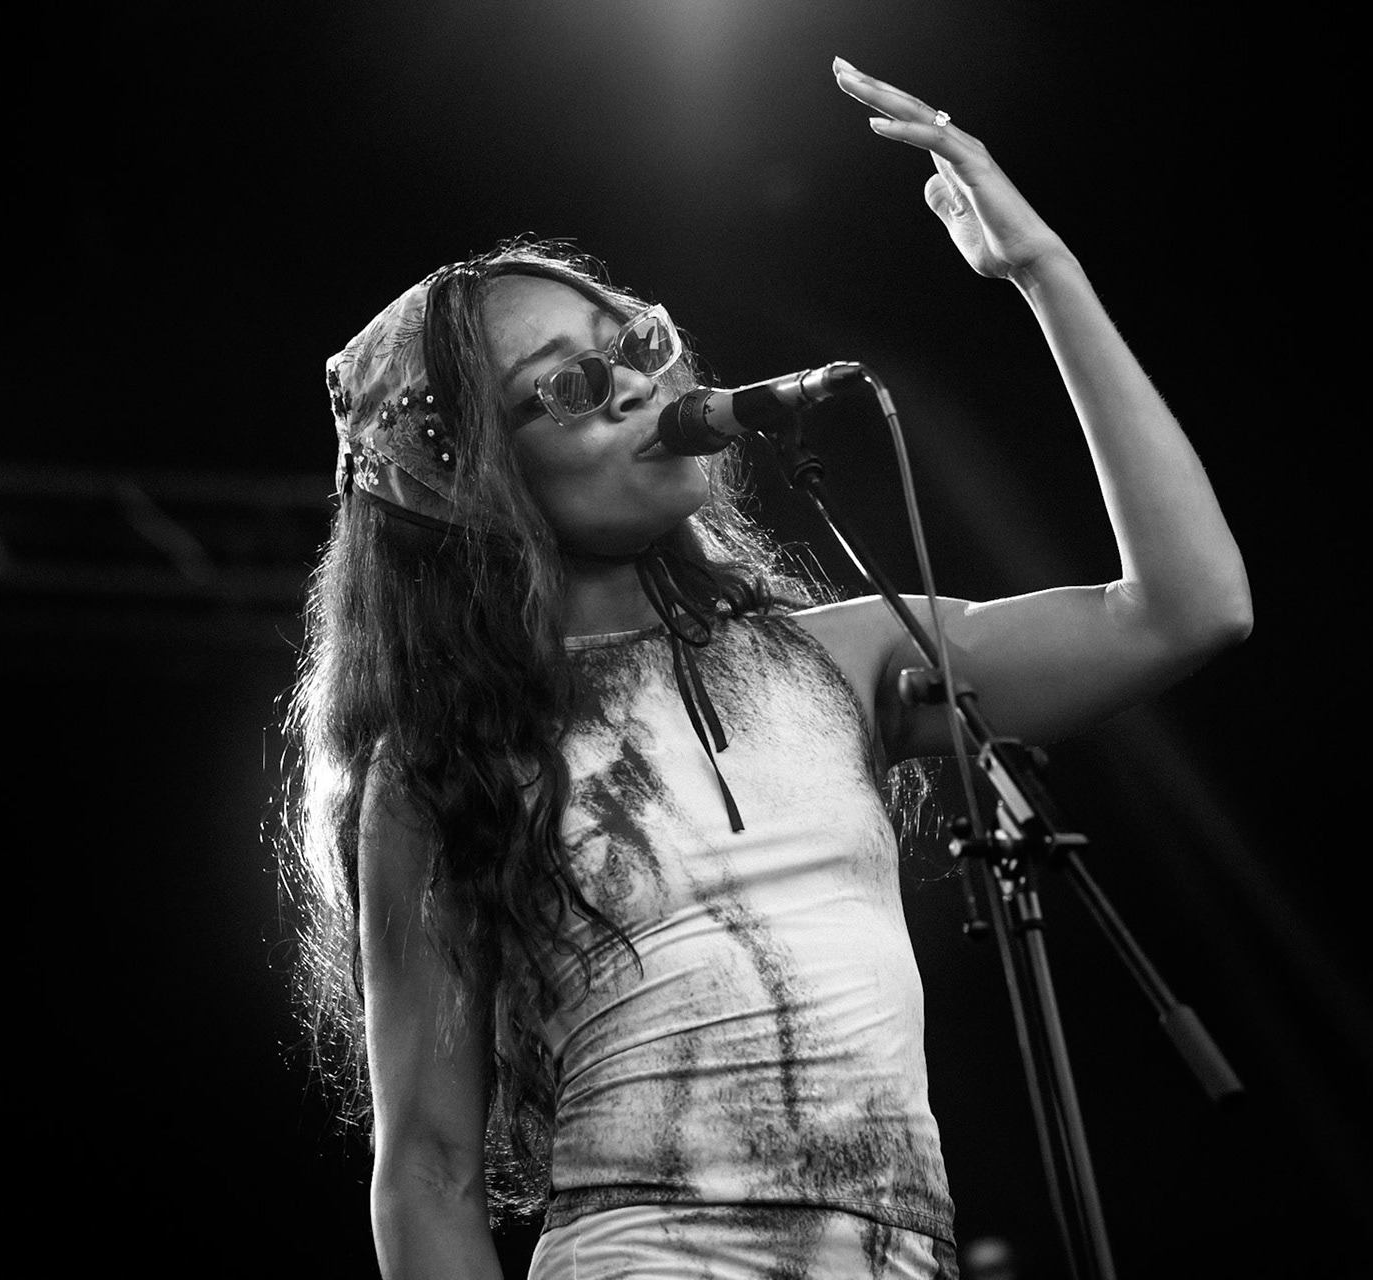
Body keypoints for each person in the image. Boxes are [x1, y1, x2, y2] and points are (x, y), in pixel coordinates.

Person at [283, 58, 1251, 1280]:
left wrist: (1046, 276)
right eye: (571, 389)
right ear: (476, 484)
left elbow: (1187, 608)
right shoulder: (444, 764)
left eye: (633, 338)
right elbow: (425, 1171)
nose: (641, 380)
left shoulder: (836, 655)